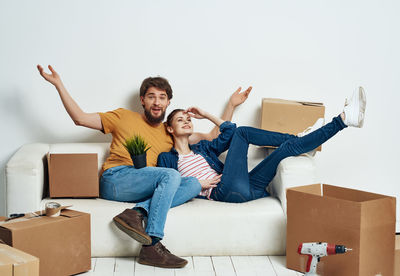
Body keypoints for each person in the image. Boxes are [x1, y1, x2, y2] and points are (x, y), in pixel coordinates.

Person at [37, 64, 251, 268]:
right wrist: (58, 84)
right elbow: (80, 118)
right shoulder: (123, 116)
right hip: (116, 179)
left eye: (162, 97)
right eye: (151, 97)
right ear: (142, 100)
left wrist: (231, 105)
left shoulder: (170, 132)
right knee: (171, 175)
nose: (157, 102)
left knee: (194, 184)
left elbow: (214, 135)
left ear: (168, 103)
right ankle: (153, 244)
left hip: (144, 185)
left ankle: (136, 213)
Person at [157, 88, 366, 203]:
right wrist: (197, 184)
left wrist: (206, 115)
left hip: (247, 187)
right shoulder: (167, 158)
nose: (186, 121)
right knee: (244, 133)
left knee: (285, 150)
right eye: (180, 119)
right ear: (170, 129)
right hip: (223, 191)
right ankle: (297, 138)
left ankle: (344, 120)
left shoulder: (203, 149)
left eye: (188, 118)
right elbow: (166, 187)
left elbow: (228, 131)